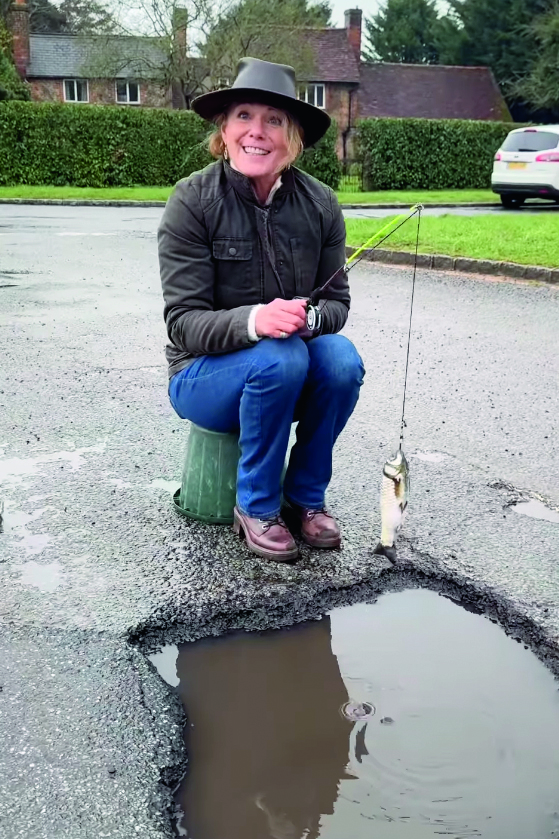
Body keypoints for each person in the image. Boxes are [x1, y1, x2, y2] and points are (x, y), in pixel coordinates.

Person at [158, 57, 365, 562]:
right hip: (201, 378)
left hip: (285, 372)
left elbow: (336, 303)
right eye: (244, 116)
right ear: (224, 130)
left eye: (273, 120)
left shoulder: (321, 204)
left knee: (340, 359)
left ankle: (305, 498)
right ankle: (256, 506)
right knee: (280, 357)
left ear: (292, 136)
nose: (257, 131)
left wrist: (308, 318)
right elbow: (183, 324)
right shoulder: (191, 201)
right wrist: (256, 321)